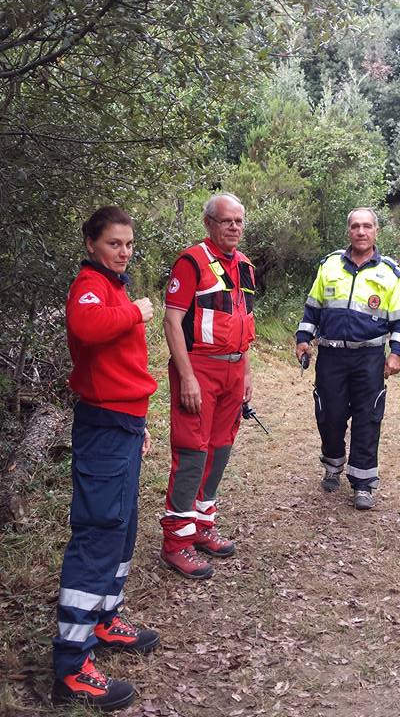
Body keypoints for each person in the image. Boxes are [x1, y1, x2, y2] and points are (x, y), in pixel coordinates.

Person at [52, 206, 160, 711]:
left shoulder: (112, 284)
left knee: (121, 528)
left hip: (124, 423)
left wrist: (137, 425)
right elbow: (88, 326)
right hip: (103, 425)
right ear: (92, 244)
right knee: (98, 534)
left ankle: (104, 618)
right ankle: (72, 666)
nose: (124, 251)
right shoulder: (90, 287)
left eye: (129, 244)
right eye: (115, 243)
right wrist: (137, 311)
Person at [160, 192, 255, 580]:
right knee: (193, 452)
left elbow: (243, 321)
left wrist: (246, 372)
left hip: (233, 370)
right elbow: (171, 321)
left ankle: (201, 526)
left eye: (238, 221)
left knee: (220, 450)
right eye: (225, 221)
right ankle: (176, 542)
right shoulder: (191, 261)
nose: (233, 227)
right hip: (199, 368)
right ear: (209, 224)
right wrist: (186, 377)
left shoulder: (245, 265)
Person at [295, 207, 400, 511]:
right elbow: (313, 310)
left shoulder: (389, 273)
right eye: (355, 227)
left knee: (367, 417)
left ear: (376, 231)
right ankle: (333, 464)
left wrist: (396, 354)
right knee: (329, 414)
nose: (361, 232)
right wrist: (303, 339)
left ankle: (363, 483)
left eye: (367, 227)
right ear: (348, 231)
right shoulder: (329, 266)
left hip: (370, 358)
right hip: (331, 356)